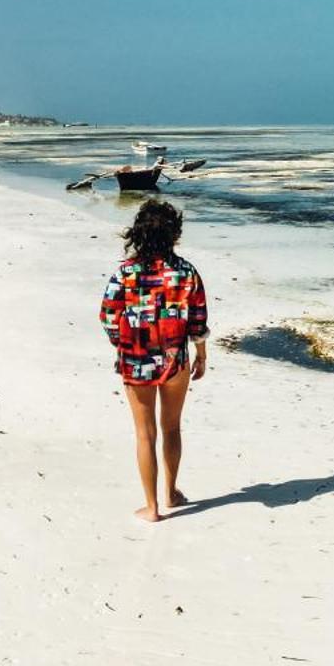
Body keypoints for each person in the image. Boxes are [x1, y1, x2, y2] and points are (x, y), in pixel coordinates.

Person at [98, 198, 209, 521]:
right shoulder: (186, 271)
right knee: (172, 428)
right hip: (176, 359)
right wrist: (201, 356)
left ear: (139, 234)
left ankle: (152, 507)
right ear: (174, 234)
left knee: (145, 434)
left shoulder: (126, 273)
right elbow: (198, 321)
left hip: (136, 358)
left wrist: (124, 344)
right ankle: (172, 492)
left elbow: (107, 316)